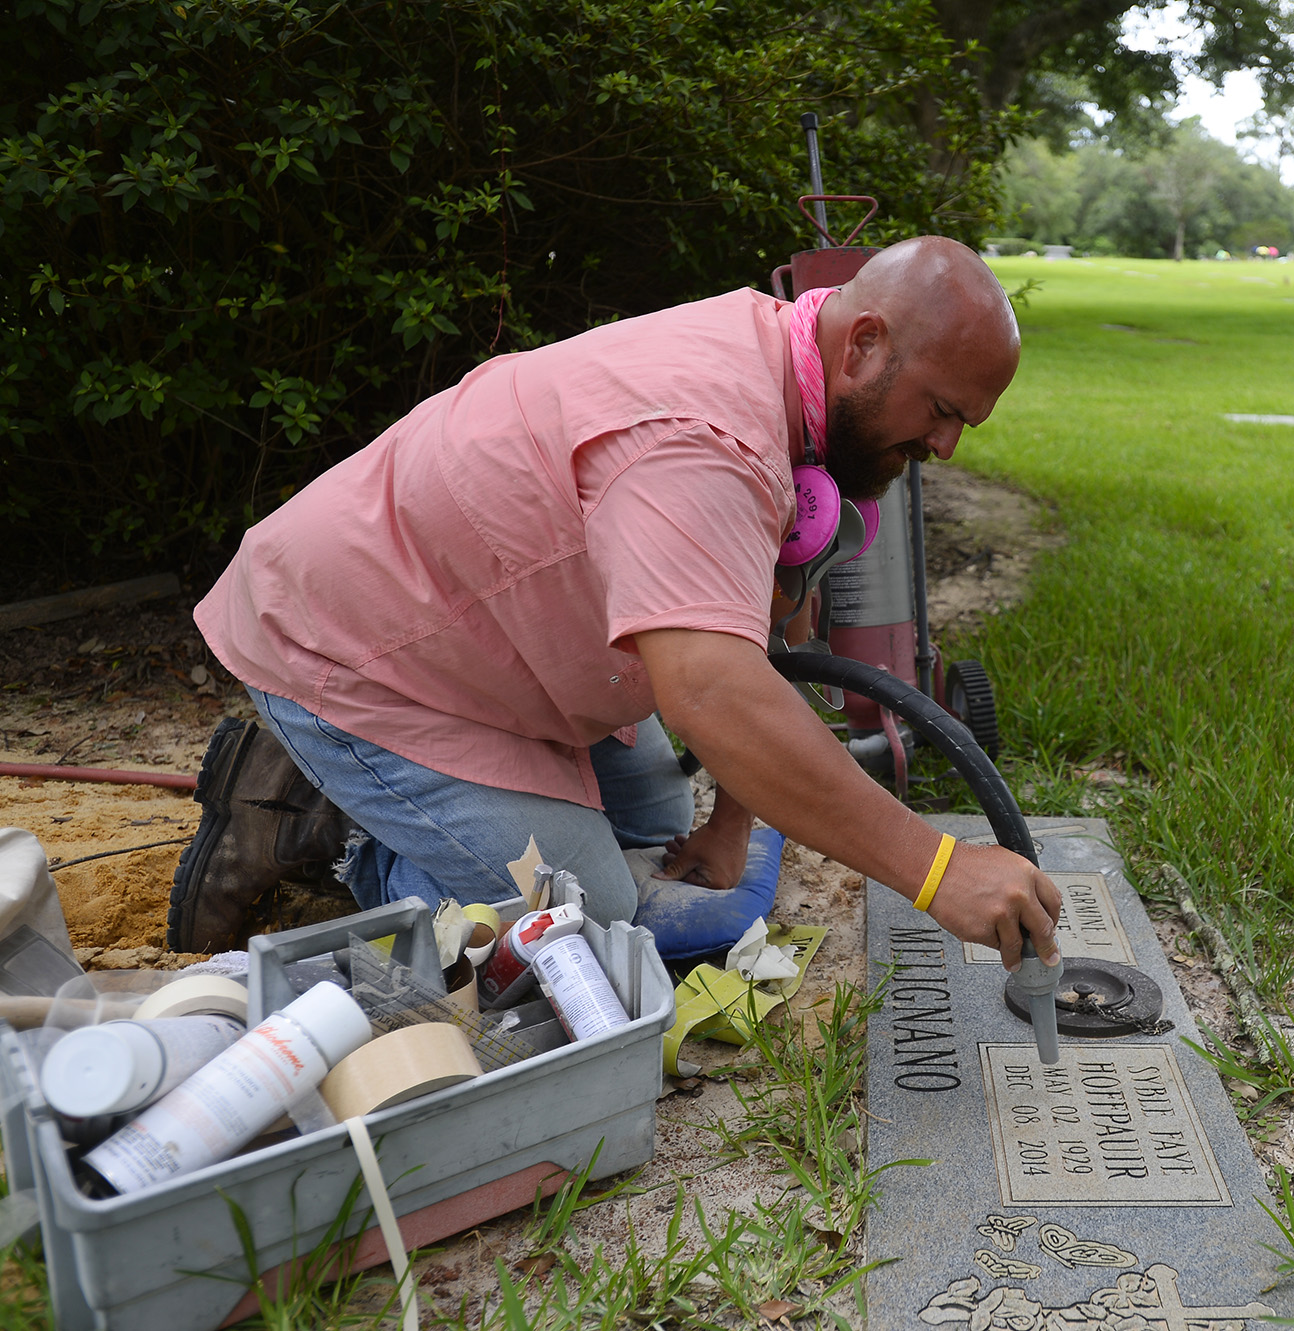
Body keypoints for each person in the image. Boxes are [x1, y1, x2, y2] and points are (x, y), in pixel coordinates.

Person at [175, 237, 1064, 971]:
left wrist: (731, 820)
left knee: (655, 832)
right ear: (864, 343)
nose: (945, 446)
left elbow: (770, 640)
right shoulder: (704, 436)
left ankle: (428, 802)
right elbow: (714, 693)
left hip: (494, 641)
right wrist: (938, 868)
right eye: (942, 410)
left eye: (964, 424)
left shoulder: (789, 373)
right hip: (355, 648)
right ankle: (332, 825)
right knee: (584, 934)